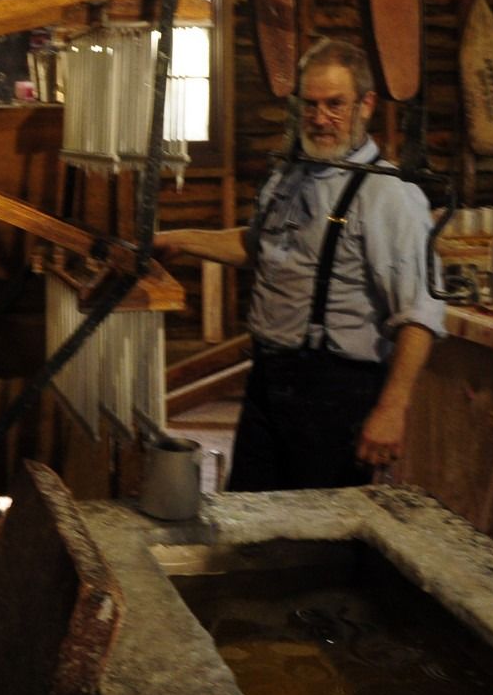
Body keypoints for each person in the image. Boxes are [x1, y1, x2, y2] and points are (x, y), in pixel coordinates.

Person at [155, 38, 446, 490]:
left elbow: (420, 313)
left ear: (366, 105)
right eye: (310, 104)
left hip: (336, 394)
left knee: (320, 529)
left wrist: (392, 408)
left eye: (335, 104)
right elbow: (260, 247)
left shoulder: (388, 195)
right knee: (250, 516)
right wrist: (180, 240)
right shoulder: (290, 175)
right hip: (268, 383)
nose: (320, 118)